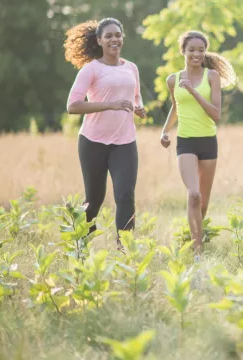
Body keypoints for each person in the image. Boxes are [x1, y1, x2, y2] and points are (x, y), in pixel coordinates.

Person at [64, 18, 146, 247]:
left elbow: (135, 96)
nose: (114, 39)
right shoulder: (91, 69)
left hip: (125, 142)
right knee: (94, 200)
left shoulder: (131, 68)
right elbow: (73, 105)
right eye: (108, 36)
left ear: (123, 38)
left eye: (118, 35)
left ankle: (125, 251)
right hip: (93, 142)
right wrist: (110, 104)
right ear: (99, 40)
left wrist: (139, 107)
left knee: (125, 196)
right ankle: (82, 247)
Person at [159, 31, 236, 254]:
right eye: (191, 49)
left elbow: (216, 114)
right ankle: (197, 250)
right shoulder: (173, 79)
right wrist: (165, 131)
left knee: (202, 203)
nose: (196, 54)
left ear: (205, 52)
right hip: (186, 143)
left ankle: (195, 235)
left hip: (208, 143)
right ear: (183, 51)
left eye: (201, 50)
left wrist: (192, 91)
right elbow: (176, 107)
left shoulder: (211, 76)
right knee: (193, 195)